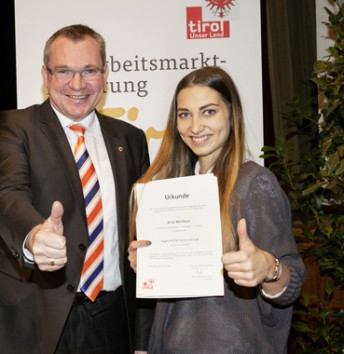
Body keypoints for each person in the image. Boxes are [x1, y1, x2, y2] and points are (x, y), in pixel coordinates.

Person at [0, 24, 152, 354]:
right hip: (34, 317)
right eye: (64, 71)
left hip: (111, 319)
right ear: (45, 75)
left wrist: (142, 339)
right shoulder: (16, 126)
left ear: (105, 73)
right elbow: (5, 194)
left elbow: (141, 238)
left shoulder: (131, 139)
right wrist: (33, 235)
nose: (77, 84)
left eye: (89, 71)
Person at [128, 66, 306, 354]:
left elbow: (291, 283)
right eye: (185, 114)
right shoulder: (172, 189)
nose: (195, 127)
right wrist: (150, 261)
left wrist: (268, 268)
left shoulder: (254, 184)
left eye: (208, 111)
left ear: (231, 114)